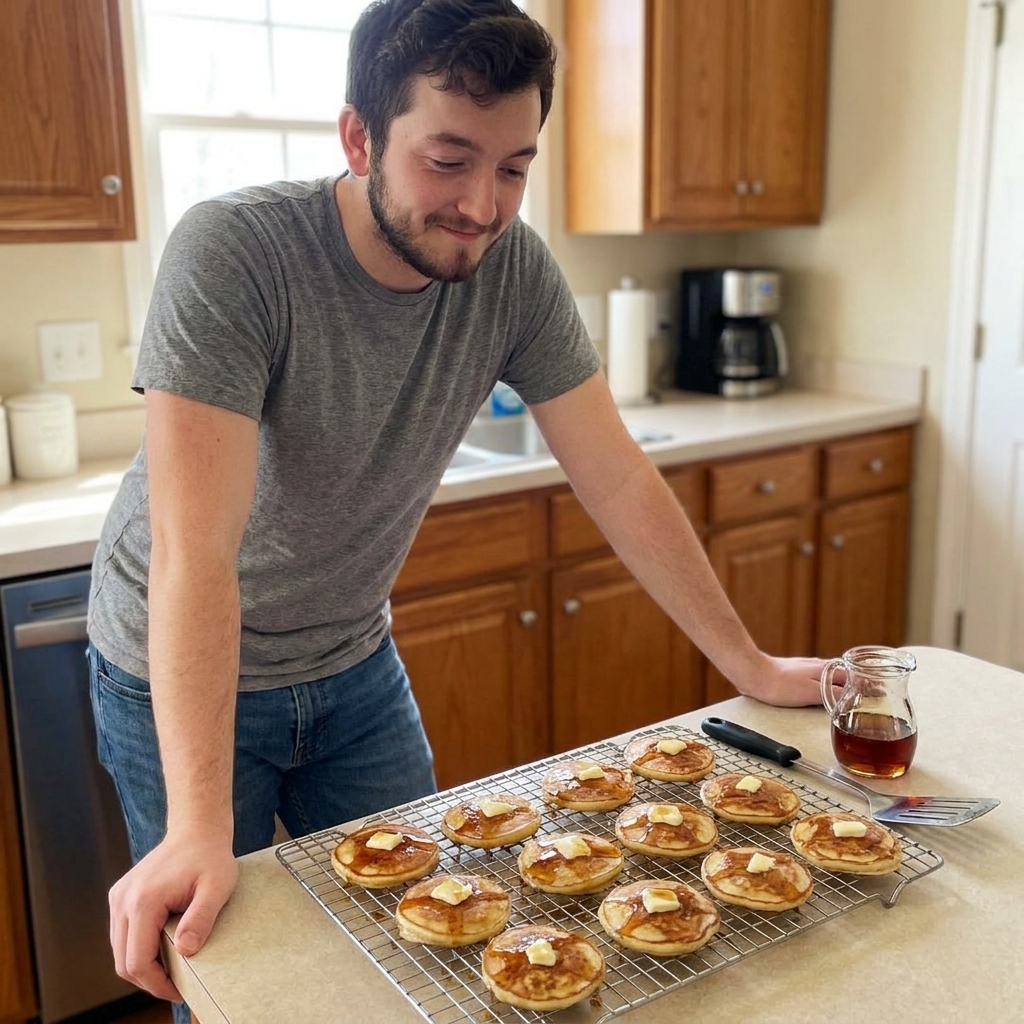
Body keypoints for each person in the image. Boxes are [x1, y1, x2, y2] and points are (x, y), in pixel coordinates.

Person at [86, 0, 828, 1013]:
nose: (483, 203)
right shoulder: (237, 253)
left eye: (513, 166)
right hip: (177, 664)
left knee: (424, 945)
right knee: (229, 965)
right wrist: (199, 825)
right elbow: (194, 555)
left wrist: (747, 661)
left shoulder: (513, 272)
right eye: (448, 159)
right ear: (359, 137)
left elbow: (615, 474)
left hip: (352, 662)